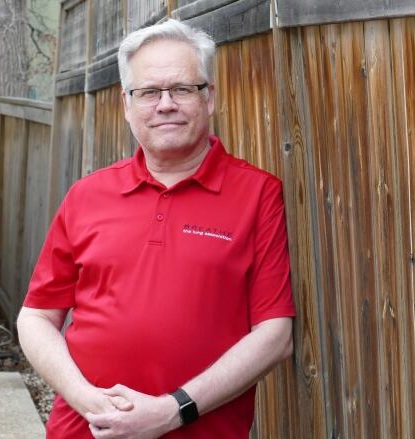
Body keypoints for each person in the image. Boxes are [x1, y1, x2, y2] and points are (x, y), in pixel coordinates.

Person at [16, 18, 295, 439]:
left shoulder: (258, 194)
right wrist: (85, 398)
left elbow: (275, 336)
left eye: (182, 88)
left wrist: (173, 410)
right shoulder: (87, 195)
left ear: (210, 97)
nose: (165, 104)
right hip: (84, 430)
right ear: (127, 105)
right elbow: (36, 316)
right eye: (148, 92)